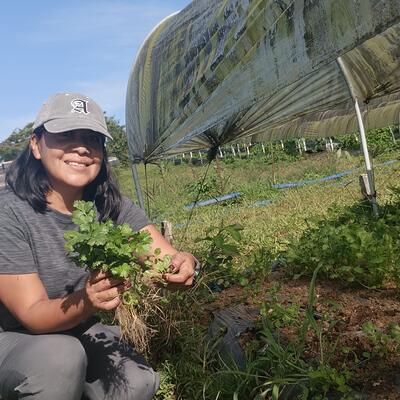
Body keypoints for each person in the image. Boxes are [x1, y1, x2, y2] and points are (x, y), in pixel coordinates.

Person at [0, 92, 197, 400]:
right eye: (66, 135)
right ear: (36, 145)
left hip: (74, 326)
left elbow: (163, 256)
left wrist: (184, 265)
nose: (81, 147)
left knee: (136, 383)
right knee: (60, 358)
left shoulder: (108, 205)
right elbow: (32, 314)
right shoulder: (8, 212)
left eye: (92, 139)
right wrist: (88, 300)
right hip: (12, 336)